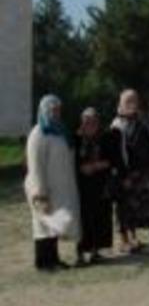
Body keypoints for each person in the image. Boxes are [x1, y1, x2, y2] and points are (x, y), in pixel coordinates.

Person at [25, 95, 81, 271]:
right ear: (44, 110)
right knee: (42, 225)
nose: (56, 112)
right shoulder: (38, 134)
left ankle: (54, 259)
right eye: (53, 109)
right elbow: (35, 165)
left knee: (53, 223)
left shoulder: (60, 131)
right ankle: (43, 262)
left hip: (60, 187)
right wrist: (39, 192)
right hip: (43, 187)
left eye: (58, 109)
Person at [109, 89, 149, 254]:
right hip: (124, 175)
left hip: (140, 173)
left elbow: (148, 147)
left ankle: (133, 238)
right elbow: (115, 154)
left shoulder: (141, 122)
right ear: (121, 104)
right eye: (128, 101)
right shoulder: (116, 125)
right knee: (123, 207)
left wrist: (146, 170)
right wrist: (125, 175)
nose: (131, 104)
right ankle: (123, 241)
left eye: (134, 100)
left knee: (135, 207)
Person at [73, 108, 113, 266]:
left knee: (100, 217)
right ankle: (81, 253)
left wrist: (97, 165)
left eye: (94, 120)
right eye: (87, 121)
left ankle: (96, 251)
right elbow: (70, 161)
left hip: (100, 184)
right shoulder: (76, 139)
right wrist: (81, 167)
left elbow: (112, 159)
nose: (90, 124)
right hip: (81, 186)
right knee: (83, 219)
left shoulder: (105, 138)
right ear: (82, 122)